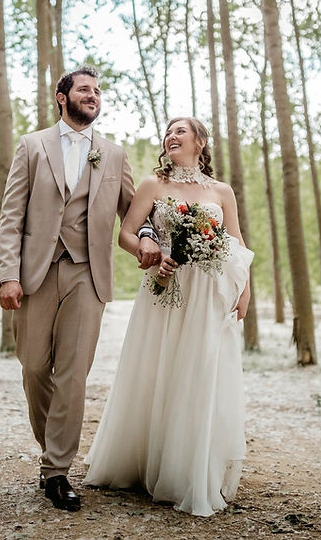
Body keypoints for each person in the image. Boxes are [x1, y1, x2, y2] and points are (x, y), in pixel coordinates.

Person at [0, 66, 161, 512]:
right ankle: (53, 448)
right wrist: (7, 274)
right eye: (84, 89)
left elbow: (135, 212)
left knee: (73, 374)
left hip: (88, 273)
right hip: (37, 271)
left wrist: (149, 236)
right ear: (61, 97)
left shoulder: (113, 153)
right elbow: (11, 216)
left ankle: (56, 471)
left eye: (98, 91)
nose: (93, 95)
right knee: (34, 368)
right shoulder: (33, 146)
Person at [83, 117, 254, 517]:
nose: (171, 136)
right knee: (156, 369)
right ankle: (143, 462)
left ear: (201, 141)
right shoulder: (152, 185)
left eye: (180, 130)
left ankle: (187, 469)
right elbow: (125, 232)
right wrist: (151, 254)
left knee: (199, 372)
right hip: (164, 288)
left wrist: (244, 289)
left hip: (209, 295)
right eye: (168, 131)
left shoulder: (221, 191)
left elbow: (236, 242)